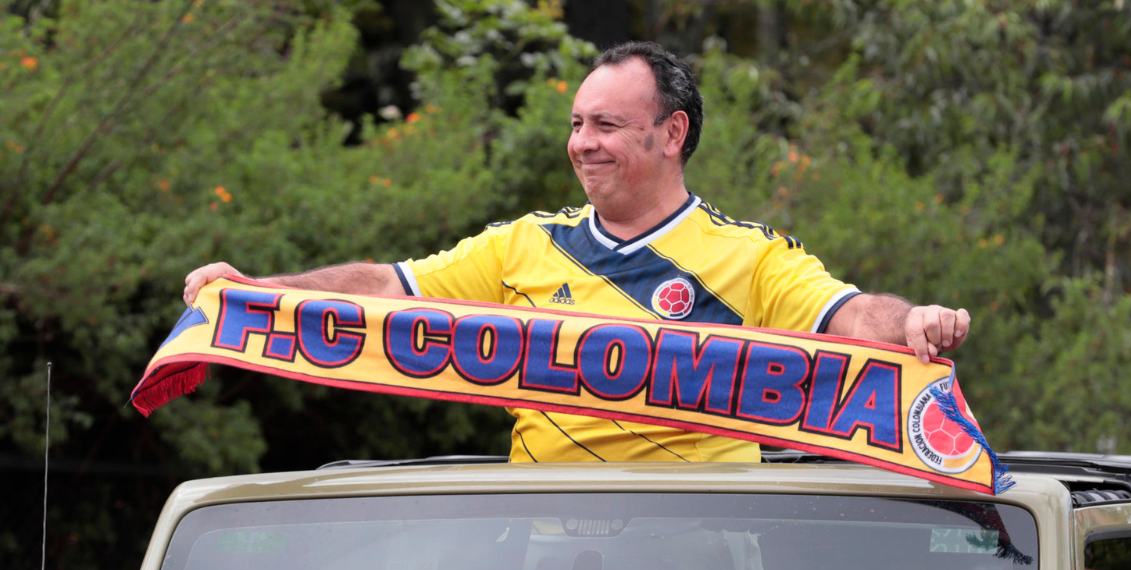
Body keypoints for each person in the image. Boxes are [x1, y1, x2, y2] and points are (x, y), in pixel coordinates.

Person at [183, 41, 970, 464]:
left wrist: (914, 323)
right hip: (548, 560)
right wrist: (260, 290)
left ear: (672, 134)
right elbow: (390, 288)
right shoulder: (528, 242)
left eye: (606, 126)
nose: (582, 144)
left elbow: (852, 313)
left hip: (703, 563)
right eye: (576, 124)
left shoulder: (750, 256)